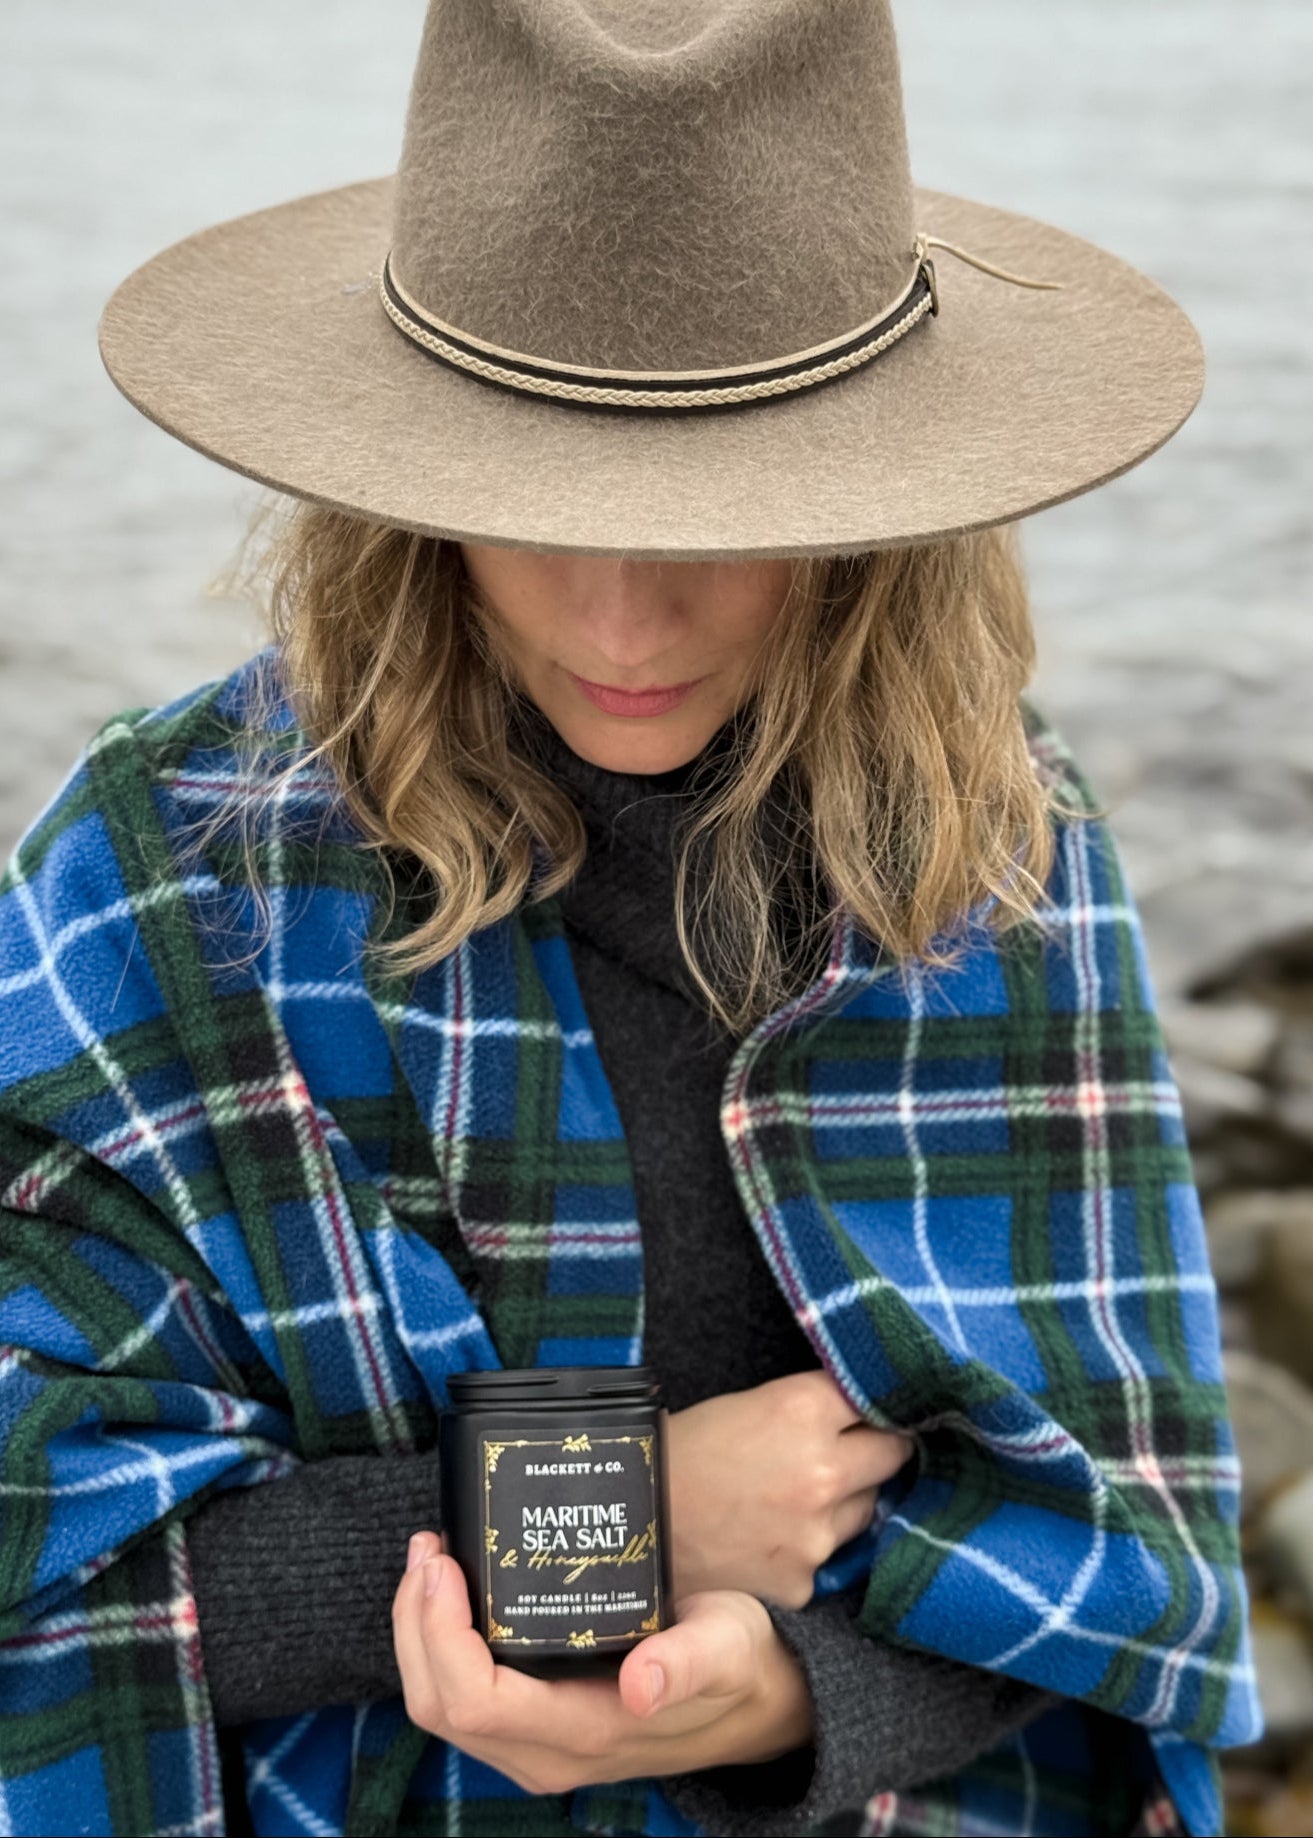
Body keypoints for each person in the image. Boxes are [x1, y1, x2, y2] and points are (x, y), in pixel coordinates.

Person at [0, 2, 1260, 1835]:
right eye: (531, 504)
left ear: (877, 499)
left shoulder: (998, 854)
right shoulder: (169, 873)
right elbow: (33, 1552)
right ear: (405, 480)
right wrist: (611, 1515)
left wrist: (793, 1703)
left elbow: (1122, 1578)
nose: (619, 623)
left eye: (713, 514)